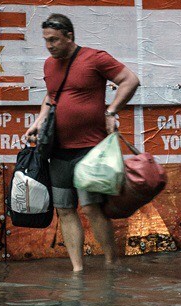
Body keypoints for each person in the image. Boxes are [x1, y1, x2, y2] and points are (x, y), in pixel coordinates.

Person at [24, 14, 140, 272]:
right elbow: (51, 97)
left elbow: (130, 80)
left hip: (91, 150)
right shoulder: (49, 65)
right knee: (64, 209)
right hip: (59, 150)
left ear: (69, 36)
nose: (49, 45)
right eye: (46, 40)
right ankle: (77, 269)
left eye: (54, 40)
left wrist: (111, 111)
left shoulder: (95, 58)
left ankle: (111, 263)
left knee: (92, 208)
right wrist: (38, 120)